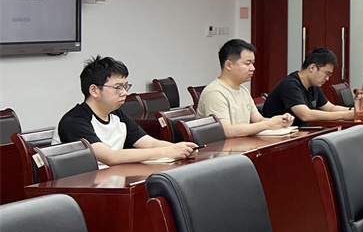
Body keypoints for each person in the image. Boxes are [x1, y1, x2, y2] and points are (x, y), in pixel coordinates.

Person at [57, 56, 197, 165]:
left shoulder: (117, 114)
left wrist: (182, 149)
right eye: (118, 87)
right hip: (80, 187)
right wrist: (168, 151)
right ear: (94, 90)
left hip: (112, 180)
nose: (124, 93)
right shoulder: (74, 121)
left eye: (126, 86)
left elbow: (149, 143)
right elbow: (111, 157)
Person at [196, 39, 294, 137]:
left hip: (243, 143)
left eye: (253, 63)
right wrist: (267, 124)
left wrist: (280, 122)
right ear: (229, 65)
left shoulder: (243, 90)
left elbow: (259, 120)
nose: (252, 68)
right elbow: (226, 131)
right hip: (225, 146)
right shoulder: (215, 93)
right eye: (247, 63)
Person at [262, 48, 357, 127]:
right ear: (312, 68)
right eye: (326, 73)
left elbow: (330, 108)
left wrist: (355, 111)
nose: (327, 78)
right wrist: (345, 115)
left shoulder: (313, 85)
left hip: (298, 134)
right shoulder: (290, 85)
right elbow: (305, 115)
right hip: (277, 138)